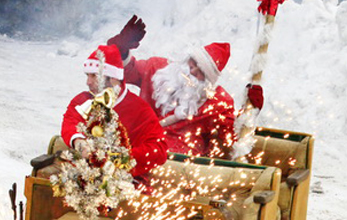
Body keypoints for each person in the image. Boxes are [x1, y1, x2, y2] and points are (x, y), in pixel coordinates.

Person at [106, 15, 264, 158]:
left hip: (179, 160)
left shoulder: (217, 102)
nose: (192, 71)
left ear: (208, 81)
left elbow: (231, 136)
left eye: (201, 71)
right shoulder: (158, 69)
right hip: (138, 143)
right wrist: (121, 49)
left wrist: (250, 111)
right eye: (193, 63)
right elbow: (125, 71)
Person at [61, 44, 167, 187]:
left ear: (113, 79)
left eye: (94, 76)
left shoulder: (140, 109)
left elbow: (158, 150)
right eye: (87, 76)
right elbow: (71, 121)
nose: (88, 82)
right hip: (83, 176)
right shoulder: (84, 100)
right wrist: (79, 141)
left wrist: (119, 159)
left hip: (125, 182)